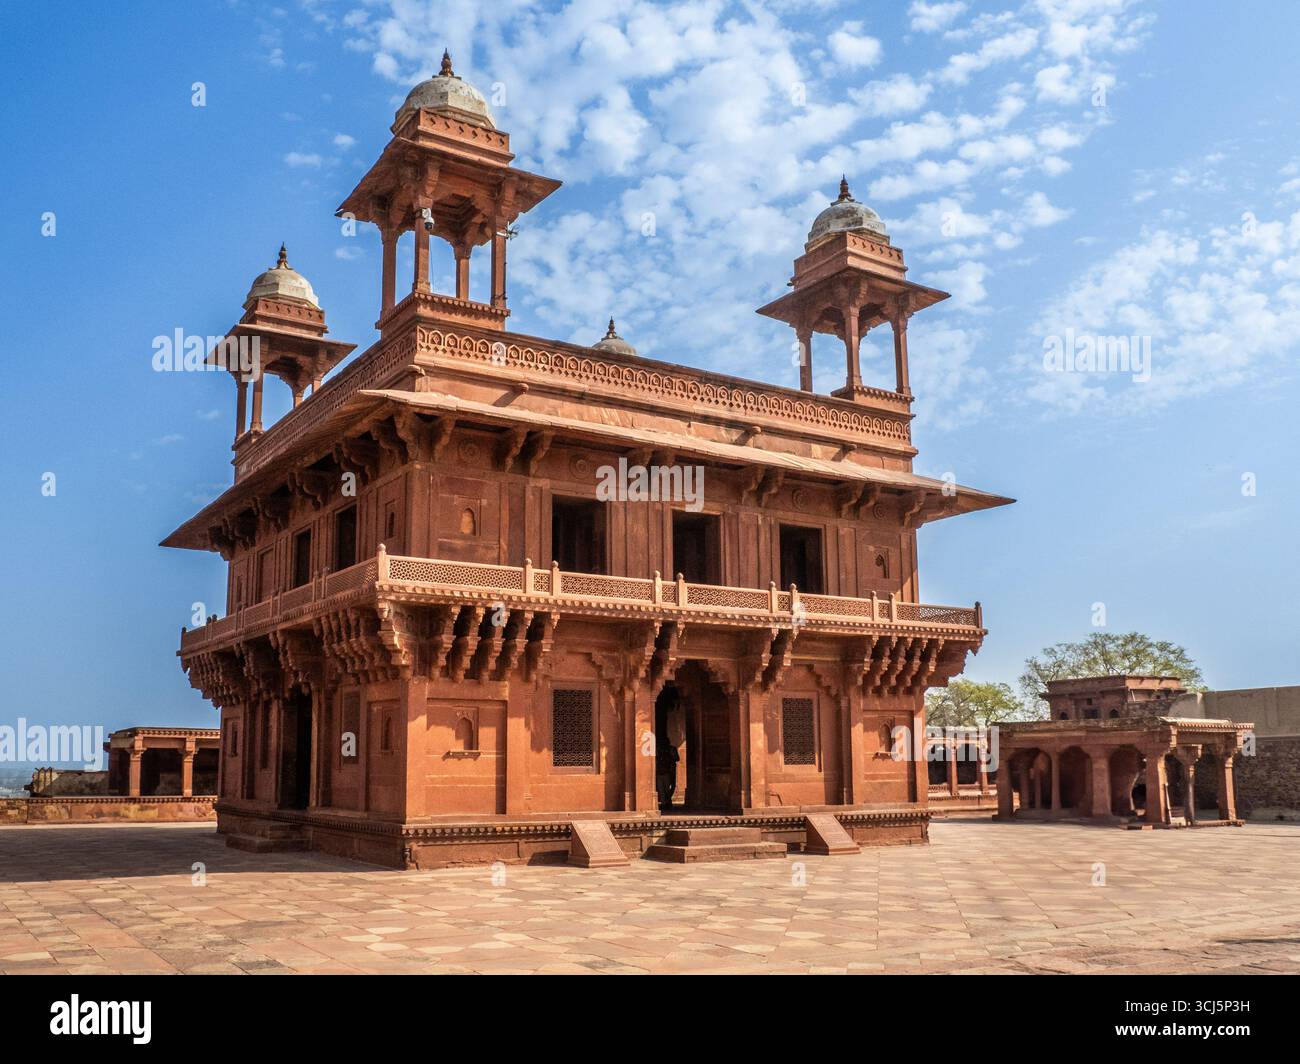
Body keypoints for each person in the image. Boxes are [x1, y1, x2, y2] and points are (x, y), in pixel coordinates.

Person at [657, 739, 680, 812]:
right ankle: (665, 803)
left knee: (667, 788)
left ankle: (667, 802)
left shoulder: (671, 749)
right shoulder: (659, 749)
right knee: (663, 788)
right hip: (662, 771)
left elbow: (677, 758)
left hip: (668, 771)